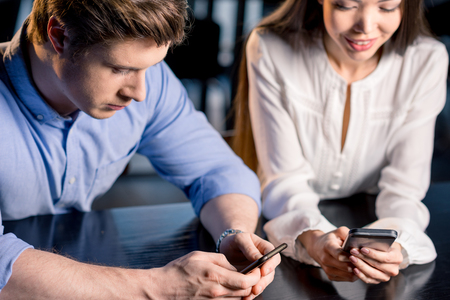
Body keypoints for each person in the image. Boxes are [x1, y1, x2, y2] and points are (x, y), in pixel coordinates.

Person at [0, 0, 281, 299]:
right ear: (58, 35)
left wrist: (233, 233)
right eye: (120, 69)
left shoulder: (148, 81)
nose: (140, 92)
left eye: (151, 66)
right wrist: (159, 287)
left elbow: (217, 170)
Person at [232, 0, 448, 285]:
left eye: (387, 7)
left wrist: (399, 245)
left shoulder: (427, 59)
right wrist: (315, 239)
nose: (366, 28)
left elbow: (404, 189)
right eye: (346, 5)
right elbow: (284, 179)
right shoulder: (270, 47)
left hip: (368, 208)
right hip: (281, 219)